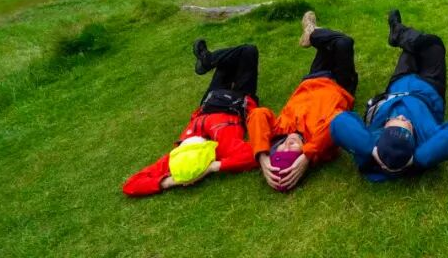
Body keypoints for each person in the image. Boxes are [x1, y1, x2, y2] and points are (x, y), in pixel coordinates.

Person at [330, 10, 448, 181]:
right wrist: (416, 159)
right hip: (430, 88)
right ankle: (398, 31)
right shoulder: (426, 141)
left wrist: (372, 150)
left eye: (396, 121)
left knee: (412, 50)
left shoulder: (372, 140)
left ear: (383, 131)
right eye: (408, 125)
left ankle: (398, 32)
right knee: (433, 44)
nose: (403, 118)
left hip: (399, 84)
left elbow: (339, 122)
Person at [123, 41, 259, 196]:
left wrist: (169, 181)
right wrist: (213, 167)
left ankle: (208, 60)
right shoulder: (221, 146)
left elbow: (131, 184)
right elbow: (255, 154)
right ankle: (208, 59)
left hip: (210, 101)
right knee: (248, 51)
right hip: (239, 99)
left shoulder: (173, 158)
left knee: (232, 58)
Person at [247, 11, 358, 191]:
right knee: (344, 42)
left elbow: (257, 114)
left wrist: (262, 155)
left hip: (313, 77)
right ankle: (312, 32)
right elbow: (336, 122)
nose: (286, 145)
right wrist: (308, 155)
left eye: (280, 150)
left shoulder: (280, 130)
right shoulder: (318, 143)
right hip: (341, 84)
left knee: (330, 44)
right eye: (291, 152)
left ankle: (315, 33)